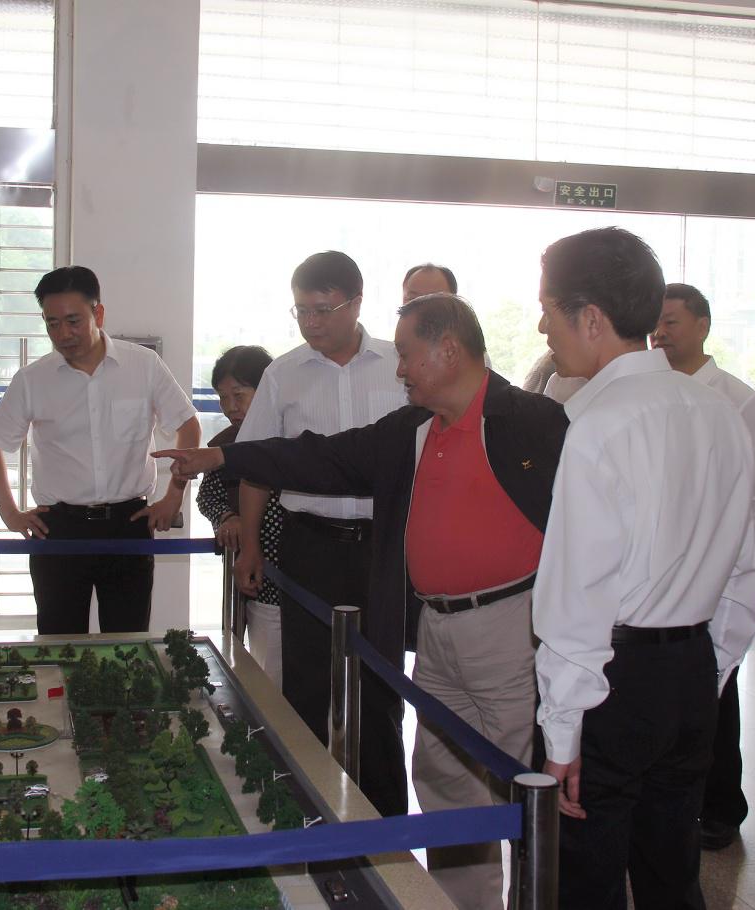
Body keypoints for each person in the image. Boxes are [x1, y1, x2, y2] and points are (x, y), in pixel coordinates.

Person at [160, 296, 567, 906]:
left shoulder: (532, 422)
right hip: (435, 629)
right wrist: (224, 455)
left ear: (448, 351)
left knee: (521, 788)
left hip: (509, 627)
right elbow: (321, 455)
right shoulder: (412, 429)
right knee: (444, 782)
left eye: (406, 355)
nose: (398, 369)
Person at [533, 227, 755, 910]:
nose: (544, 329)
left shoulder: (597, 423)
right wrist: (711, 669)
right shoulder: (720, 413)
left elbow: (579, 595)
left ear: (590, 319)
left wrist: (561, 734)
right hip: (691, 668)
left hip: (614, 680)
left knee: (587, 876)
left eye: (547, 311)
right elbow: (748, 563)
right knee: (672, 873)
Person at [233, 250, 409, 818]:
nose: (310, 323)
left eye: (322, 310)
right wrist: (252, 546)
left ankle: (384, 831)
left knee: (381, 690)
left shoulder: (399, 366)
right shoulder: (283, 374)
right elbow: (258, 465)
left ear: (356, 303)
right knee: (307, 688)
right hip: (308, 547)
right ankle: (308, 816)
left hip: (383, 548)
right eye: (301, 311)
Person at [0, 266, 199, 634]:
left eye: (73, 321)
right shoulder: (33, 379)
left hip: (129, 523)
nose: (63, 334)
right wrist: (10, 514)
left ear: (98, 313)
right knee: (59, 643)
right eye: (52, 324)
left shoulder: (142, 365)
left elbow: (188, 426)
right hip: (59, 528)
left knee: (127, 643)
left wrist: (173, 496)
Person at [652, 282, 755, 851]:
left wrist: (750, 574)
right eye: (655, 322)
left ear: (703, 325)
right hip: (664, 575)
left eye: (672, 321)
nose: (660, 332)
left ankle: (721, 807)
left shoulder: (737, 400)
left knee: (717, 698)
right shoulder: (651, 395)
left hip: (720, 575)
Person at [195, 345, 286, 685]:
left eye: (239, 395)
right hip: (260, 584)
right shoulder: (225, 443)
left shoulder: (294, 436)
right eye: (223, 397)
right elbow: (208, 494)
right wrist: (226, 517)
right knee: (268, 678)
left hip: (305, 579)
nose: (230, 406)